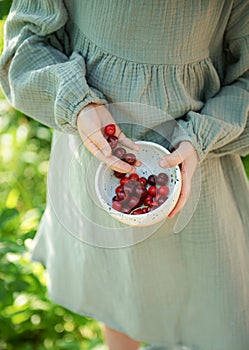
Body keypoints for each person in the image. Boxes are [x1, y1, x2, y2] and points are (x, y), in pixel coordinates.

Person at [0, 1, 249, 349]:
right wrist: (78, 104)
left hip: (197, 168)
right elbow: (26, 43)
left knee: (213, 301)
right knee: (118, 285)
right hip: (94, 153)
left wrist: (201, 136)